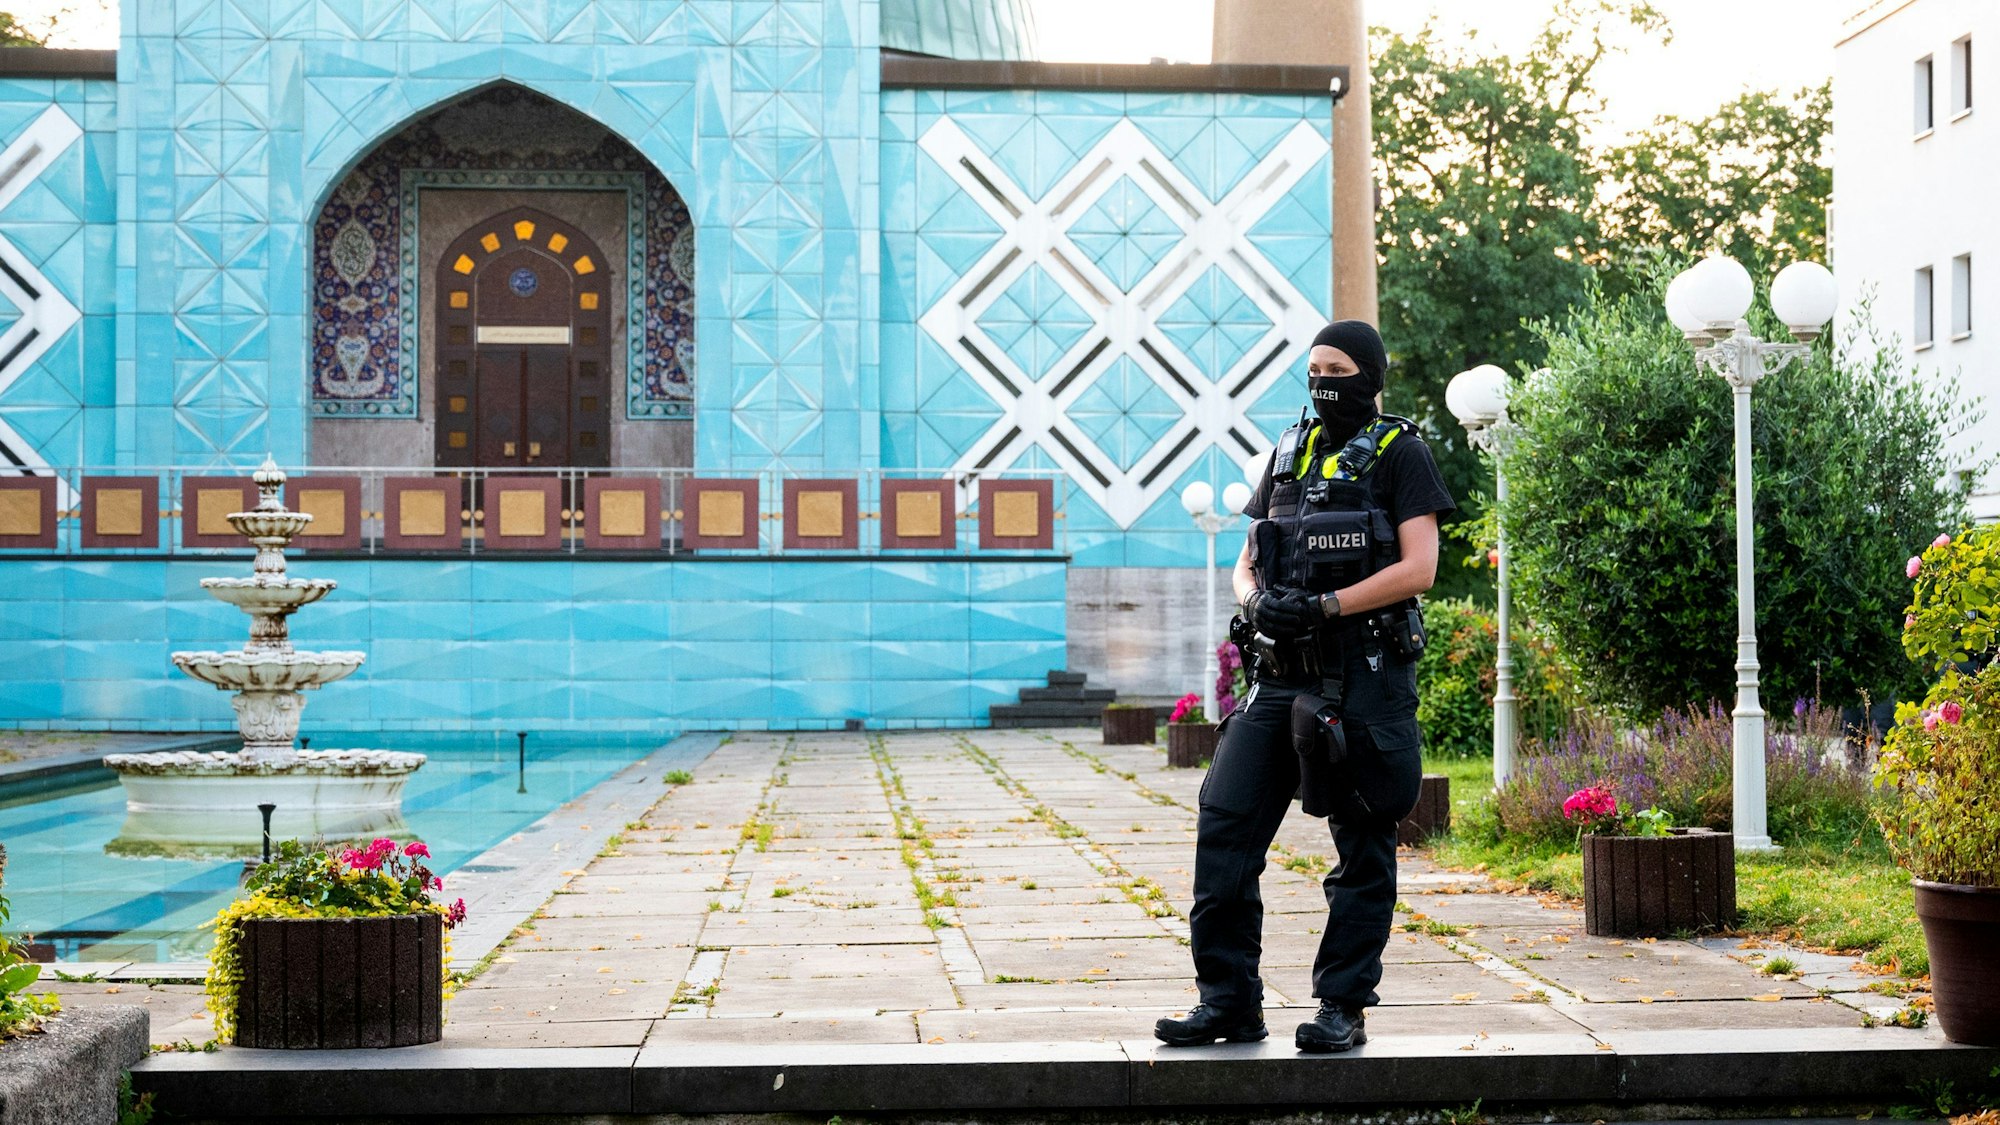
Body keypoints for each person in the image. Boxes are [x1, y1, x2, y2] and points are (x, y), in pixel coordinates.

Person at [1155, 320, 1455, 1054]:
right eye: (1313, 368)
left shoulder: (1401, 453)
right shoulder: (1288, 451)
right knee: (1224, 827)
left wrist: (1329, 605)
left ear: (1369, 377)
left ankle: (1341, 1007)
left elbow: (1420, 567)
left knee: (1362, 845)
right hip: (1279, 676)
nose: (1321, 382)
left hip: (1361, 678)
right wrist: (1254, 599)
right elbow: (1249, 554)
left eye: (1337, 369)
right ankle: (1228, 1001)